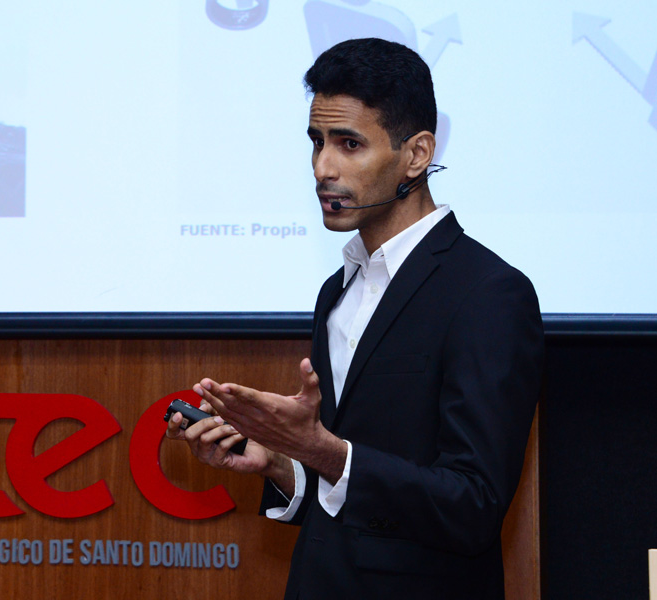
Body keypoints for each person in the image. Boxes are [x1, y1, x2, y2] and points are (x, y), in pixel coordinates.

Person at [166, 38, 544, 600]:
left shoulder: (489, 293)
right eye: (316, 142)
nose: (323, 167)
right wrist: (278, 462)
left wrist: (320, 449)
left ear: (416, 154)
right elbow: (350, 501)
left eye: (349, 144)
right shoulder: (337, 291)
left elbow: (473, 507)